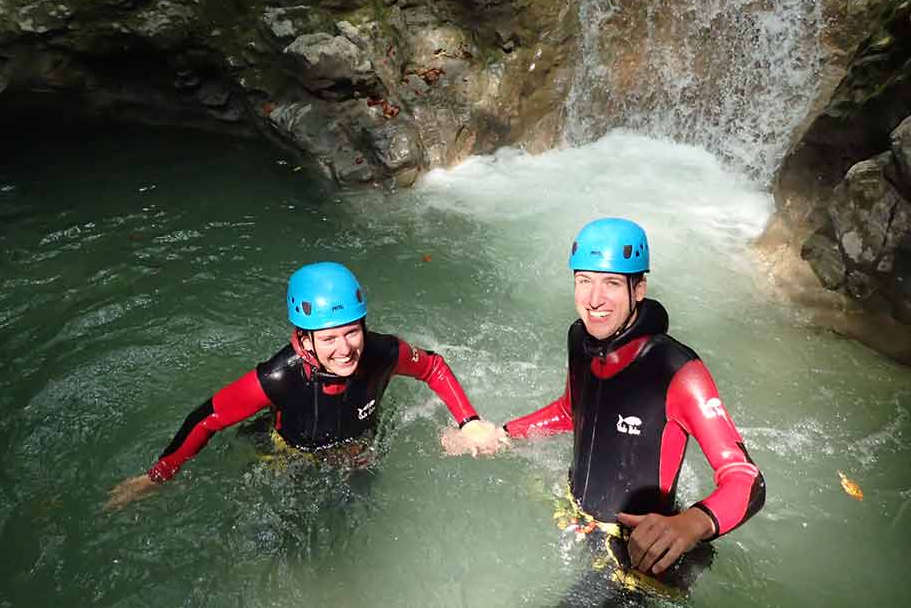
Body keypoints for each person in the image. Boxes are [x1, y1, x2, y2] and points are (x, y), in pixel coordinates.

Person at [108, 262, 505, 509]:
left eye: (351, 333)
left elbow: (433, 367)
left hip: (356, 452)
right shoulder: (279, 377)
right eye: (328, 338)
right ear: (305, 339)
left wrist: (468, 420)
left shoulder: (384, 352)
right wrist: (157, 476)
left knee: (355, 514)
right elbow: (207, 419)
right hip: (287, 456)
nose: (344, 349)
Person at [503, 218, 765, 593]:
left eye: (610, 282)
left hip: (640, 553)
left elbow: (746, 477)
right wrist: (504, 433)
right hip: (578, 518)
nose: (593, 300)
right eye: (584, 281)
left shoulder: (678, 370)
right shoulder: (580, 339)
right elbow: (571, 411)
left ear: (638, 287)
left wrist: (690, 524)